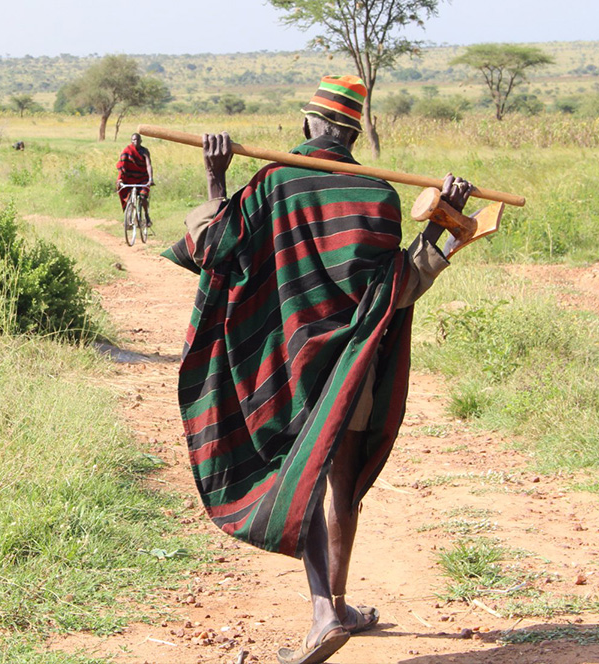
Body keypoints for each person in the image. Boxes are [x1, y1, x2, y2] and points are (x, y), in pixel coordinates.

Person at [163, 76, 472, 664]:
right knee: (342, 486)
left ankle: (324, 613)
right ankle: (339, 601)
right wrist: (442, 222)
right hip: (352, 367)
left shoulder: (272, 183)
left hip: (284, 366)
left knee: (297, 476)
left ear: (307, 126)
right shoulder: (378, 195)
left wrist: (215, 178)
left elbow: (211, 249)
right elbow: (398, 289)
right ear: (353, 133)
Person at [116, 132, 155, 225]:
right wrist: (120, 179)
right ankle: (128, 217)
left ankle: (146, 216)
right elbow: (122, 166)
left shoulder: (144, 151)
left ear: (141, 141)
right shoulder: (127, 151)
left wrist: (150, 179)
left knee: (143, 196)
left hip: (143, 178)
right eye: (134, 139)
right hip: (129, 178)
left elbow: (148, 165)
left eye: (137, 139)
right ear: (131, 141)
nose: (136, 141)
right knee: (128, 196)